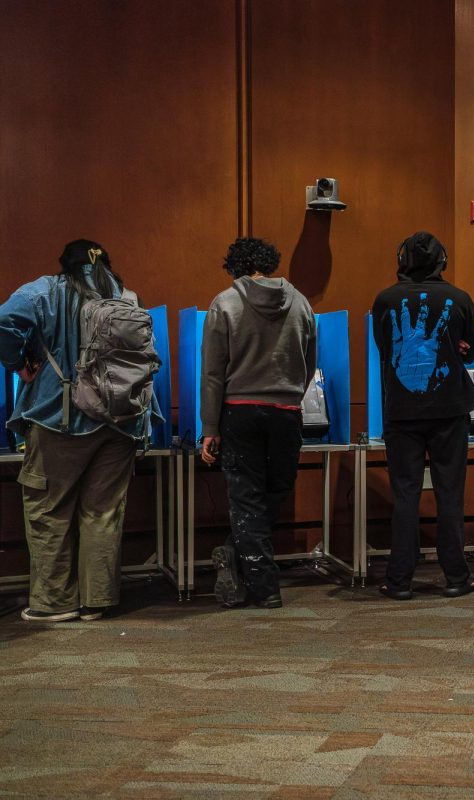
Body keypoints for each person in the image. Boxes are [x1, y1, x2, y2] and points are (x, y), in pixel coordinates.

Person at [0, 240, 161, 622]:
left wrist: (18, 363)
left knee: (48, 510)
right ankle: (97, 601)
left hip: (59, 418)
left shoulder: (45, 291)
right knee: (103, 512)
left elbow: (2, 323)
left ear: (64, 265)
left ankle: (54, 603)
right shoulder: (127, 297)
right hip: (121, 423)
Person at [201, 237, 316, 610]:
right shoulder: (301, 304)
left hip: (240, 410)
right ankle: (246, 563)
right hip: (287, 411)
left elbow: (213, 373)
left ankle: (261, 584)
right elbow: (309, 361)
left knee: (245, 495)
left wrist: (209, 428)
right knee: (276, 489)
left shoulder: (225, 302)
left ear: (234, 266)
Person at [371, 232, 474, 600]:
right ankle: (455, 577)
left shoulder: (384, 300)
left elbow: (384, 347)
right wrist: (455, 347)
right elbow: (473, 349)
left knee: (405, 495)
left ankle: (400, 581)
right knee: (450, 494)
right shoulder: (459, 298)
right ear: (442, 260)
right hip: (449, 410)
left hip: (401, 412)